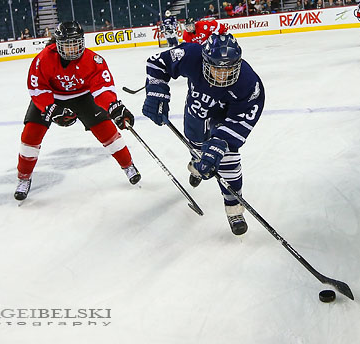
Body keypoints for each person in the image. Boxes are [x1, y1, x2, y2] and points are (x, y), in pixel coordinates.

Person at [142, 34, 265, 236]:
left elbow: (243, 119)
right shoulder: (191, 55)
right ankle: (197, 165)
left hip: (225, 118)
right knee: (197, 147)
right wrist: (156, 91)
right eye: (216, 68)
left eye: (229, 69)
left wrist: (222, 142)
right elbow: (158, 63)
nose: (222, 76)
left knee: (227, 160)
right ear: (205, 60)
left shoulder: (249, 83)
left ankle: (234, 207)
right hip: (196, 112)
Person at [14, 21, 140, 201]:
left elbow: (102, 88)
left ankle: (128, 166)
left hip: (83, 97)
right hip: (52, 97)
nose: (73, 49)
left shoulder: (93, 60)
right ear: (57, 44)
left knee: (108, 131)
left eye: (76, 43)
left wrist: (114, 107)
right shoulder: (44, 59)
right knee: (30, 135)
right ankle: (23, 178)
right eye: (67, 44)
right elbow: (38, 89)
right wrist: (51, 109)